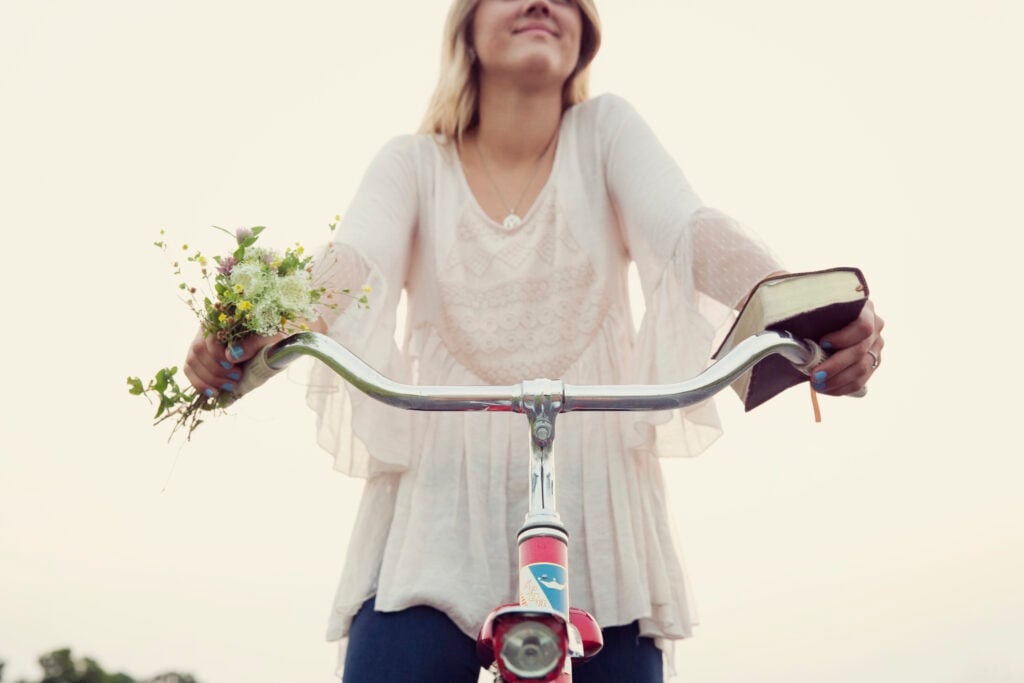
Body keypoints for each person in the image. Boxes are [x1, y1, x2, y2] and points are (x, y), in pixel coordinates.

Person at [183, 0, 885, 680]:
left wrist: (807, 311)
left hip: (594, 507)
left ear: (585, 30)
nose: (542, 2)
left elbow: (689, 234)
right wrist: (247, 337)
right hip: (439, 509)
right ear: (468, 24)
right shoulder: (414, 164)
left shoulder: (605, 133)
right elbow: (353, 266)